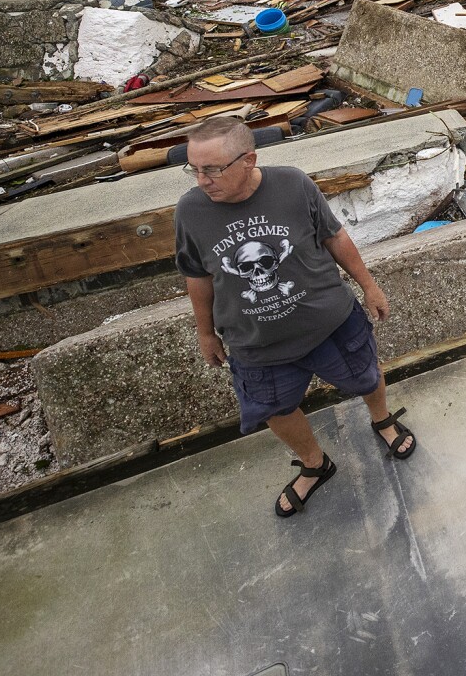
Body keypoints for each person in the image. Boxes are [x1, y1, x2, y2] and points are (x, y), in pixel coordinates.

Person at [174, 115, 417, 517]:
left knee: (366, 375)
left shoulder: (292, 183)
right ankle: (314, 464)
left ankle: (382, 420)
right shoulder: (190, 210)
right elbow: (197, 276)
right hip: (255, 344)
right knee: (274, 409)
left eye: (212, 169)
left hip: (330, 324)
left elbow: (334, 236)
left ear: (248, 160)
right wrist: (205, 332)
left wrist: (369, 286)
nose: (202, 181)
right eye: (194, 169)